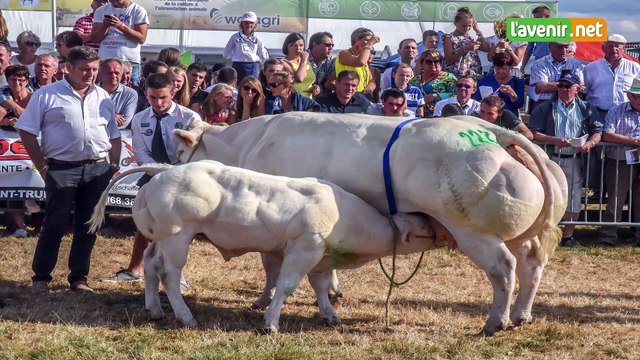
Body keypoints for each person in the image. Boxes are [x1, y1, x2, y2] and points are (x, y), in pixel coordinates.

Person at [15, 46, 121, 293]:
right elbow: (26, 130)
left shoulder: (103, 96)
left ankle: (79, 278)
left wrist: (112, 166)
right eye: (85, 69)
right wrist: (42, 166)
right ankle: (41, 277)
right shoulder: (46, 95)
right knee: (54, 223)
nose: (90, 74)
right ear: (68, 68)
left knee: (88, 225)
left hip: (98, 169)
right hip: (61, 169)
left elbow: (113, 135)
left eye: (94, 69)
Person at [103, 72, 199, 284]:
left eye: (163, 97)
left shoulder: (189, 118)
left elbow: (192, 153)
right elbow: (140, 153)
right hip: (152, 175)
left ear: (173, 92)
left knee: (177, 227)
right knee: (144, 222)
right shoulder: (140, 119)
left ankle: (177, 276)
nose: (158, 102)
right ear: (145, 94)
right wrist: (158, 173)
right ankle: (134, 270)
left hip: (182, 177)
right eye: (152, 97)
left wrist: (172, 173)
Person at [529, 71, 602, 247]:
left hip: (575, 159)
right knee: (547, 195)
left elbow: (598, 131)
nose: (562, 89)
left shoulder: (587, 108)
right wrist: (553, 140)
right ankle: (545, 233)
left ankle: (568, 236)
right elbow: (533, 132)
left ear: (577, 89)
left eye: (567, 86)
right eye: (560, 86)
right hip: (551, 158)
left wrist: (590, 144)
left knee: (574, 196)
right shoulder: (545, 107)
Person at [598, 78, 640, 247]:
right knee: (615, 200)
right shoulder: (616, 111)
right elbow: (607, 135)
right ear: (629, 96)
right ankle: (608, 237)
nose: (638, 100)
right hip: (619, 161)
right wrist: (635, 141)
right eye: (636, 96)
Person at [0, 65, 33, 237]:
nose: (17, 83)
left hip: (32, 147)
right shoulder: (2, 95)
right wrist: (6, 121)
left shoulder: (35, 97)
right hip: (9, 150)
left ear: (27, 81)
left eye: (21, 80)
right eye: (13, 79)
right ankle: (20, 226)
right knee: (13, 182)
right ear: (8, 80)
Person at [91, 0, 149, 85]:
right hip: (106, 59)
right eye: (111, 0)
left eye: (117, 0)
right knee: (102, 91)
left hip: (130, 61)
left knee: (132, 91)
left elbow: (141, 38)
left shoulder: (138, 10)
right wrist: (104, 26)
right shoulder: (101, 10)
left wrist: (120, 26)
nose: (114, 3)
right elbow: (95, 39)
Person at [529, 42, 585, 111]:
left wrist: (550, 86)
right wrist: (570, 85)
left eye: (566, 47)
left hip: (568, 104)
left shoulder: (576, 64)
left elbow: (580, 85)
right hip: (545, 104)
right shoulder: (539, 63)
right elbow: (542, 86)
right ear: (550, 47)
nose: (564, 51)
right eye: (560, 47)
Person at [442, 7, 489, 78]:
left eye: (469, 26)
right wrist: (465, 49)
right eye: (464, 26)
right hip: (457, 76)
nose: (467, 29)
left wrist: (478, 31)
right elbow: (449, 60)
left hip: (473, 75)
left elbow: (486, 48)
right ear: (455, 23)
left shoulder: (470, 38)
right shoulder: (449, 38)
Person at [223, 11, 269, 83]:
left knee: (252, 87)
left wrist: (264, 68)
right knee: (238, 87)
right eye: (246, 22)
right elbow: (226, 53)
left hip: (253, 67)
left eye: (251, 23)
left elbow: (263, 56)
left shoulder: (258, 39)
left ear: (255, 24)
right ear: (242, 24)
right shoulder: (235, 37)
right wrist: (235, 57)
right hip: (238, 67)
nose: (249, 25)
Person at [331, 27, 378, 96]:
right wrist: (369, 44)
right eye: (367, 40)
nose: (370, 44)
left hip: (361, 97)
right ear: (356, 40)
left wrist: (369, 88)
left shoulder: (363, 57)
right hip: (348, 96)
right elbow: (359, 62)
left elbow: (371, 80)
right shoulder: (344, 53)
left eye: (371, 42)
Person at [412, 49, 457, 118]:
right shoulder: (415, 80)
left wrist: (435, 96)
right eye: (428, 62)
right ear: (422, 64)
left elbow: (457, 95)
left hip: (441, 115)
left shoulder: (449, 78)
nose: (433, 64)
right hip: (418, 116)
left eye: (436, 61)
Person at [100, 58, 137, 129]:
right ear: (101, 73)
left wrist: (99, 117)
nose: (113, 76)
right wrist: (112, 115)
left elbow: (124, 123)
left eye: (117, 73)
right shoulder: (90, 91)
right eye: (109, 73)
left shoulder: (130, 94)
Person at [281, 32, 317, 98]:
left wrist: (314, 87)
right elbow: (299, 78)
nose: (298, 48)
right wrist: (303, 61)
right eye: (294, 45)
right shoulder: (283, 62)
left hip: (309, 99)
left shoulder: (307, 62)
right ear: (287, 47)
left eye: (301, 45)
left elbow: (310, 81)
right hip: (295, 99)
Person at [520, 5, 552, 75]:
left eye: (538, 18)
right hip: (539, 63)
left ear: (547, 16)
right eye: (534, 18)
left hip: (556, 64)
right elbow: (528, 51)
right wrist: (522, 67)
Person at [307, 31, 335, 97]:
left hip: (323, 101)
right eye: (327, 45)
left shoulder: (332, 60)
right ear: (315, 44)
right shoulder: (301, 58)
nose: (331, 48)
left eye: (332, 45)